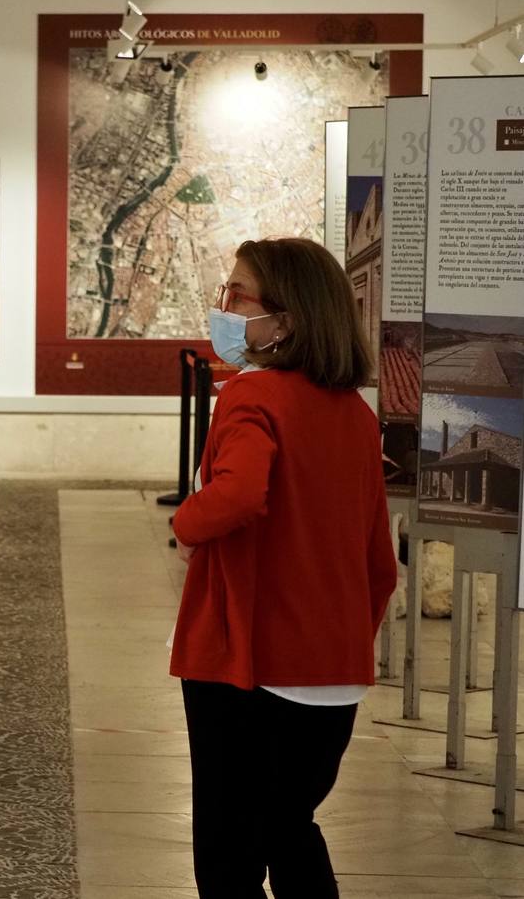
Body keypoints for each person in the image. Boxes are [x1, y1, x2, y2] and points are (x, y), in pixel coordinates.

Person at [171, 237, 397, 898]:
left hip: (248, 662)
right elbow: (377, 561)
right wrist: (345, 635)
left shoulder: (252, 397)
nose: (225, 308)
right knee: (290, 829)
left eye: (237, 297)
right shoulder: (356, 416)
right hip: (332, 671)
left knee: (227, 852)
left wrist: (184, 523)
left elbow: (240, 492)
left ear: (286, 321)